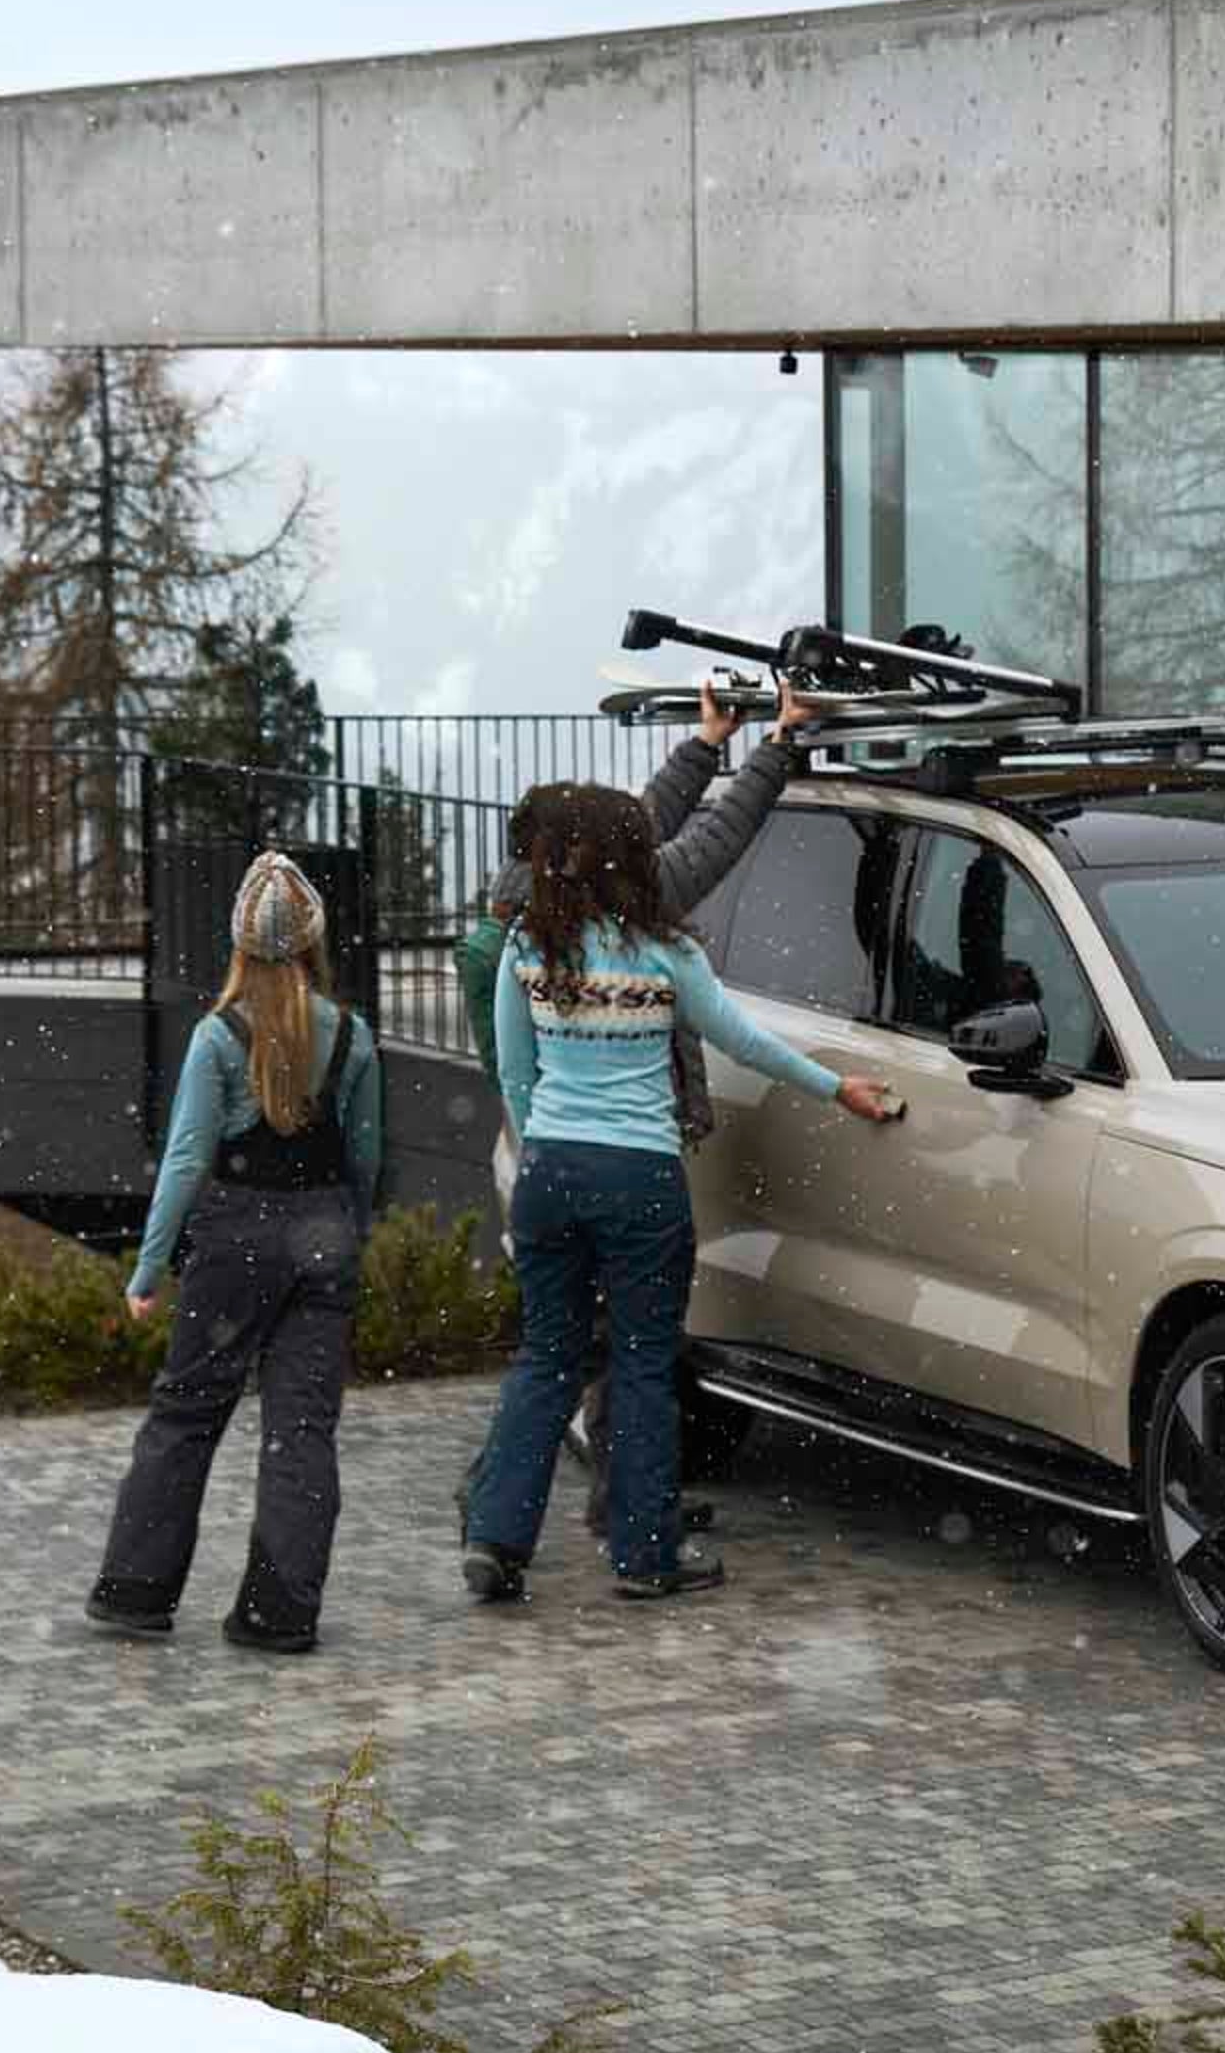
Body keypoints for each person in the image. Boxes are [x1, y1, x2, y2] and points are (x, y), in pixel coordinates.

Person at [461, 781, 898, 1605]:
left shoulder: (527, 946)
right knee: (642, 1362)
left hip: (550, 1171)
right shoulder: (665, 952)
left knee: (547, 1358)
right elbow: (744, 1040)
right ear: (635, 860)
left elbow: (517, 1075)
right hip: (641, 1180)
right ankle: (645, 1554)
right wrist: (837, 1088)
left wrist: (549, 1140)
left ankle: (496, 1537)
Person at [452, 677, 821, 1538]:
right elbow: (707, 849)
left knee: (558, 1348)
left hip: (553, 1153)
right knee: (633, 1347)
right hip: (629, 1162)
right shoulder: (636, 928)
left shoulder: (536, 902)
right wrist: (779, 746)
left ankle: (500, 1520)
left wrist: (705, 746)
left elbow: (646, 825)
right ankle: (633, 1523)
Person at [86, 852, 383, 1654]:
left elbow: (186, 1158)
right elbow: (366, 1159)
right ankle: (279, 1611)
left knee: (185, 1414)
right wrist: (347, 1240)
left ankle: (137, 1590)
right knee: (302, 1429)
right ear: (316, 941)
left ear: (239, 946)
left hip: (233, 1243)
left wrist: (149, 1270)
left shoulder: (218, 1036)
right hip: (322, 1241)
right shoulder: (352, 1036)